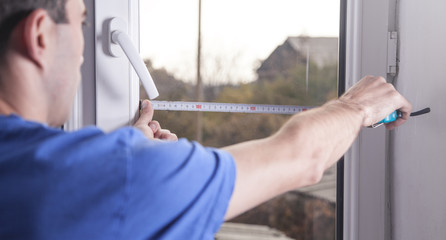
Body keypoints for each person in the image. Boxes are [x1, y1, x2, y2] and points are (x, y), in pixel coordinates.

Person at [0, 0, 412, 239]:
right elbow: (299, 159)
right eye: (81, 22)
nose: (84, 50)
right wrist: (356, 106)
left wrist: (123, 155)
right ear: (40, 35)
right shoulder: (108, 177)